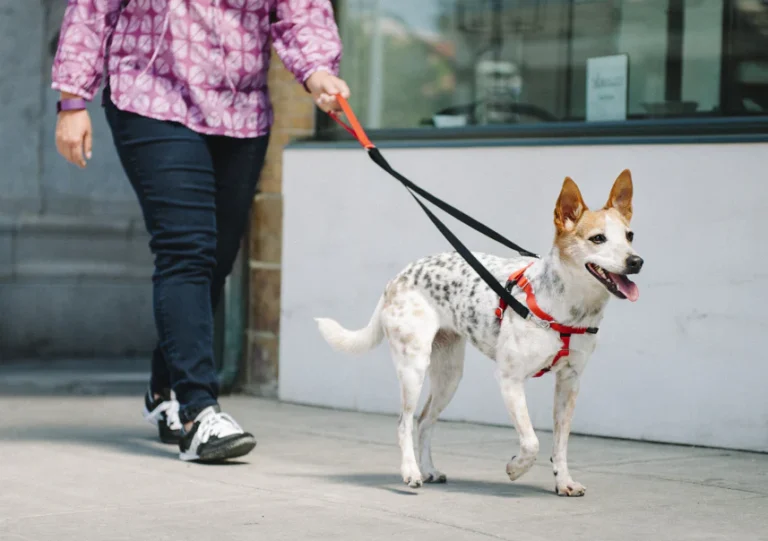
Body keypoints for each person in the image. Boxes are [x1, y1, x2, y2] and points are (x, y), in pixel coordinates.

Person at [52, 0, 349, 462]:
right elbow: (91, 10)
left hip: (241, 108)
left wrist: (317, 71)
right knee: (185, 249)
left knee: (215, 260)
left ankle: (164, 388)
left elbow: (301, 11)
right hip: (151, 96)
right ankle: (198, 413)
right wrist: (73, 98)